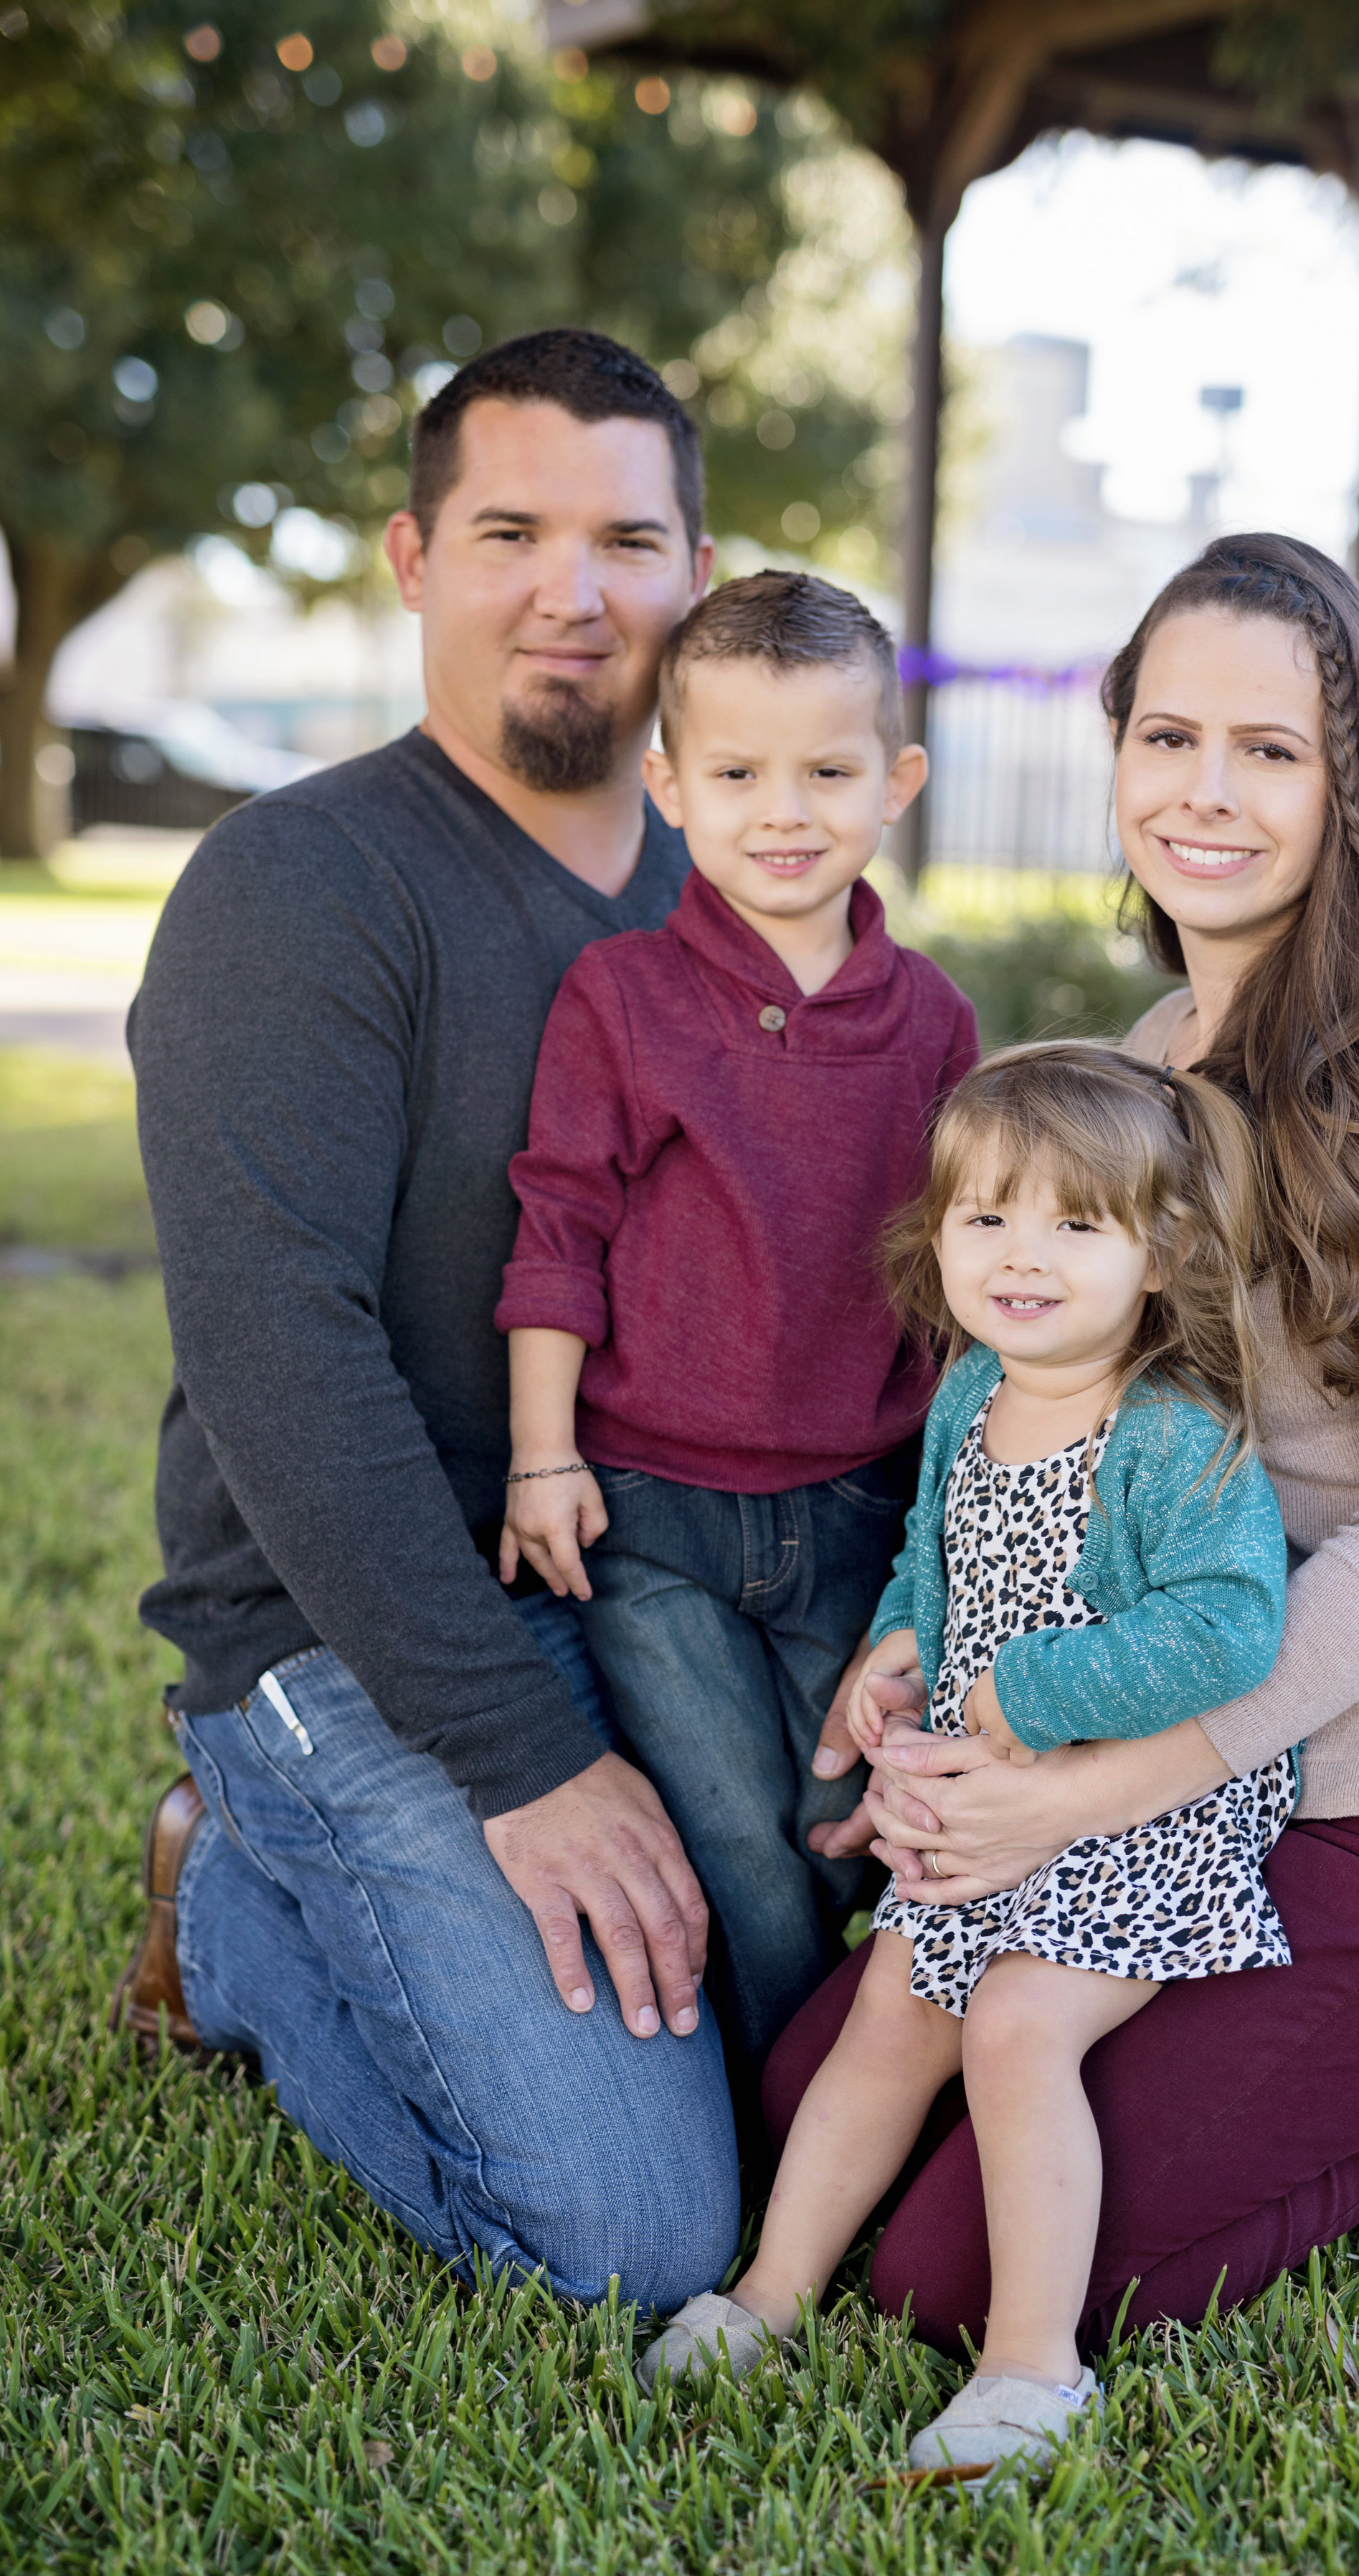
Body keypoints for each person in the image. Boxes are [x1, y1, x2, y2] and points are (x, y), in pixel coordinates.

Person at [767, 532, 1359, 2356]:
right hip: (1196, 1757)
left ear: (1351, 785)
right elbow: (1074, 1432)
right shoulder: (1145, 1057)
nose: (1205, 792)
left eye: (1271, 750)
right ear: (1117, 752)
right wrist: (930, 1648)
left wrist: (1084, 1787)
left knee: (941, 2281)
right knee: (818, 2107)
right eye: (1167, 736)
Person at [114, 329, 770, 2309]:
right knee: (634, 2241)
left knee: (838, 2044)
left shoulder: (733, 903)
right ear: (411, 556)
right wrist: (519, 1760)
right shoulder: (301, 886)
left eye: (626, 539)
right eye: (510, 530)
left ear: (695, 571)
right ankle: (231, 1895)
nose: (572, 591)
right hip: (339, 1628)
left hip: (650, 1603)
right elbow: (274, 1352)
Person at [635, 1042, 1292, 2478]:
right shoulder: (968, 1394)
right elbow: (936, 1569)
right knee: (887, 2010)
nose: (1020, 1256)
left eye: (1074, 1223)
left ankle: (1031, 2370)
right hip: (989, 1795)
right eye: (984, 1216)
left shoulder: (1165, 1435)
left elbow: (1232, 1630)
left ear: (1161, 1250)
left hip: (1137, 1817)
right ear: (935, 1238)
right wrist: (899, 1647)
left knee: (1010, 2024)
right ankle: (765, 2296)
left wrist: (1028, 1688)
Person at [496, 571, 978, 2070]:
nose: (785, 811)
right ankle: (788, 2134)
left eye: (827, 771)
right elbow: (557, 1228)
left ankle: (850, 2081)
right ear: (668, 787)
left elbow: (972, 1279)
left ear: (892, 784)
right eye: (736, 773)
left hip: (860, 1505)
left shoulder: (936, 1022)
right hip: (654, 1516)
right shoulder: (621, 997)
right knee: (738, 1849)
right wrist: (539, 1456)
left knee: (843, 1830)